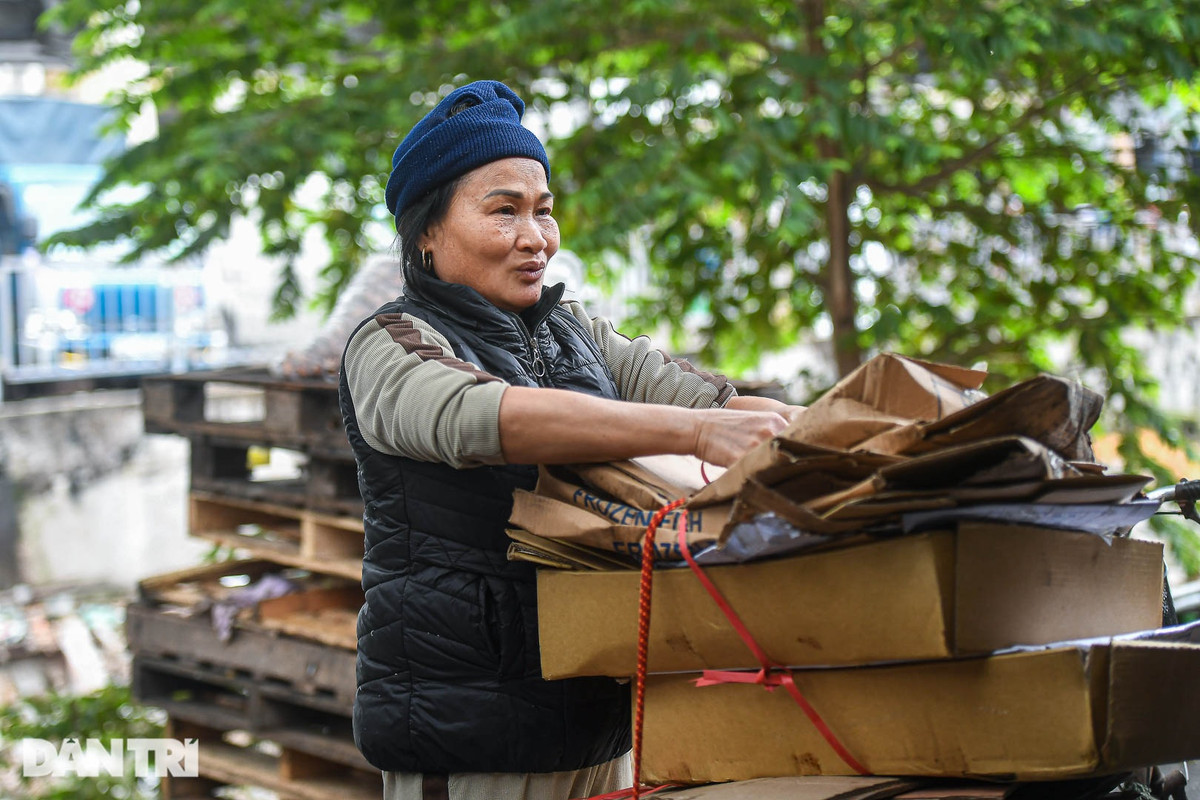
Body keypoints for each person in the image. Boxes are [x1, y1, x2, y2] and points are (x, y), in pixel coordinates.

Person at [338, 79, 801, 800]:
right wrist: (700, 432)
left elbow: (702, 394)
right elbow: (489, 416)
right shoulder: (391, 342)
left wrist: (843, 434)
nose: (536, 237)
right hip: (470, 739)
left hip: (596, 716)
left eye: (543, 211)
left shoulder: (572, 331)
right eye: (504, 212)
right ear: (426, 231)